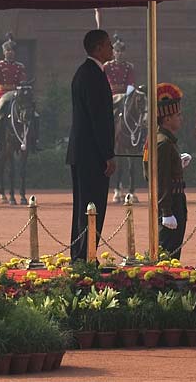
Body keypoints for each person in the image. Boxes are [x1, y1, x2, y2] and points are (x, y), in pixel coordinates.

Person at [66, 29, 115, 263]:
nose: (112, 49)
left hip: (82, 152)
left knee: (83, 207)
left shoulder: (85, 72)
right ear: (97, 48)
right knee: (92, 207)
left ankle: (82, 253)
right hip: (92, 155)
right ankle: (86, 255)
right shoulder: (93, 75)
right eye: (108, 45)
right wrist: (108, 154)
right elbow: (99, 119)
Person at [145, 83, 188, 260]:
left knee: (171, 253)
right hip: (171, 203)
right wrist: (167, 212)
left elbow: (164, 171)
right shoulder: (162, 143)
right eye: (177, 115)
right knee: (167, 256)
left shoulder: (163, 139)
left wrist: (178, 163)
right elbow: (159, 179)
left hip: (174, 201)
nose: (181, 118)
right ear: (167, 119)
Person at [0, 34, 39, 150]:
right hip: (3, 93)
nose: (10, 53)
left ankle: (34, 141)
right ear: (4, 52)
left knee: (34, 114)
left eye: (12, 50)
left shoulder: (19, 66)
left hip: (16, 92)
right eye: (8, 50)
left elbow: (22, 80)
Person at [104, 34, 136, 108]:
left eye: (122, 51)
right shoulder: (107, 66)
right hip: (111, 95)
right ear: (113, 52)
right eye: (117, 51)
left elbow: (131, 82)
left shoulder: (129, 67)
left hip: (125, 95)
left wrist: (128, 96)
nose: (120, 53)